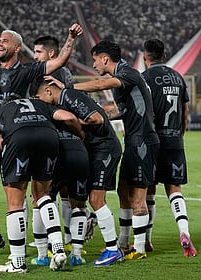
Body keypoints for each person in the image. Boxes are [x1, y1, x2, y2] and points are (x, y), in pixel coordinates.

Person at [0, 0, 83, 257]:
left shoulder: (29, 71)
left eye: (5, 41)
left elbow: (59, 62)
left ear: (17, 47)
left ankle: (25, 242)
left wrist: (71, 40)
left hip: (14, 136)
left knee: (18, 190)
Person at [59, 40, 160, 260]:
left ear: (105, 58)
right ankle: (123, 243)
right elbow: (123, 111)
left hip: (143, 140)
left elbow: (99, 85)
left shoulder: (128, 73)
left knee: (138, 197)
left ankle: (140, 248)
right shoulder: (125, 77)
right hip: (133, 140)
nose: (94, 64)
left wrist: (67, 89)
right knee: (124, 191)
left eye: (95, 59)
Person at [31, 76, 123, 267]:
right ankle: (87, 238)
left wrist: (78, 128)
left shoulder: (67, 96)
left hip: (103, 148)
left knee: (96, 199)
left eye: (39, 98)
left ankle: (113, 249)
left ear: (48, 90)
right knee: (87, 199)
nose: (40, 103)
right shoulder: (65, 99)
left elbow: (96, 118)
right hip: (92, 150)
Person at [0, 94, 84, 273]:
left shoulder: (0, 113)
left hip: (19, 139)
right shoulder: (40, 104)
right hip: (49, 138)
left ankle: (17, 262)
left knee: (15, 202)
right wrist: (81, 134)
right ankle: (57, 248)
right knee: (43, 195)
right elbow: (68, 117)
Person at [31, 35, 97, 263]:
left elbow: (64, 115)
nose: (34, 57)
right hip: (77, 148)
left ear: (51, 54)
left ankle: (47, 249)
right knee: (74, 199)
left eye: (38, 52)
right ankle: (74, 249)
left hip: (56, 147)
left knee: (40, 198)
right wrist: (80, 135)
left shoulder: (48, 77)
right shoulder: (67, 78)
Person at [140, 38, 197, 257]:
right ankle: (184, 232)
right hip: (175, 140)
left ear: (145, 56)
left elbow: (143, 112)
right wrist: (179, 136)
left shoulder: (144, 78)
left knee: (149, 190)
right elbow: (184, 113)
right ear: (164, 56)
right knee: (175, 189)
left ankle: (146, 240)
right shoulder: (178, 77)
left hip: (153, 140)